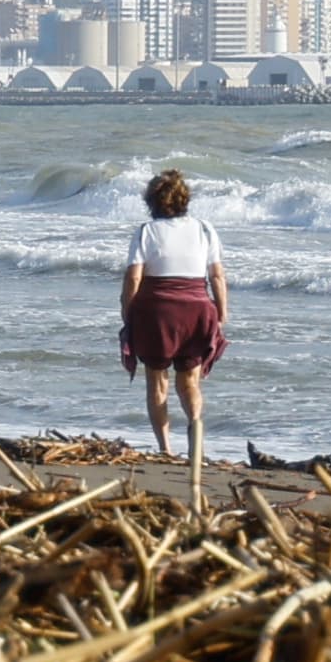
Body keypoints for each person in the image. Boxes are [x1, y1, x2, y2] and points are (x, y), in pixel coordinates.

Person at [117, 167, 227, 478]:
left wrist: (127, 310)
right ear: (184, 199)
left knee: (157, 381)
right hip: (196, 308)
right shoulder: (205, 229)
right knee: (189, 381)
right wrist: (221, 311)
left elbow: (134, 276)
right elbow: (217, 275)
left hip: (156, 311)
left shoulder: (146, 232)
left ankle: (165, 449)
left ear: (151, 202)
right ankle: (196, 435)